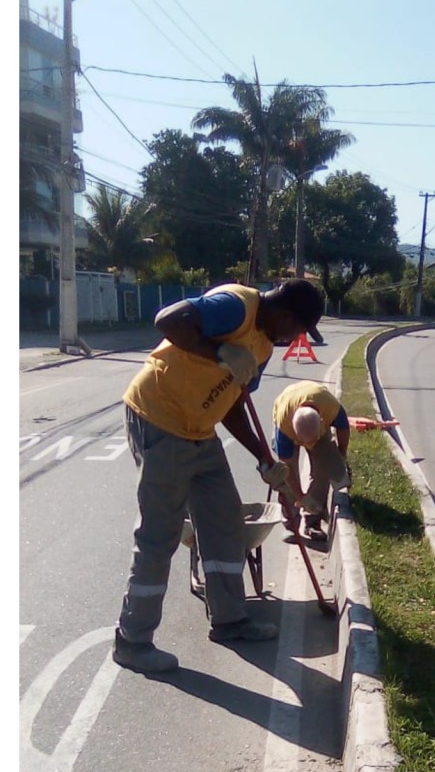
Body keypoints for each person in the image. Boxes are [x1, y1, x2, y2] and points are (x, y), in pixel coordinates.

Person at [112, 278, 324, 675]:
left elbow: (231, 403)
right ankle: (132, 640)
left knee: (225, 522)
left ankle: (229, 620)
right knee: (159, 536)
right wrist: (220, 350)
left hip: (200, 430)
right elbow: (167, 321)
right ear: (286, 315)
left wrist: (264, 458)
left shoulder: (262, 346)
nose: (295, 339)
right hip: (159, 418)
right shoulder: (236, 307)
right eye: (297, 330)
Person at [271, 379, 351, 540]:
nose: (306, 445)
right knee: (287, 480)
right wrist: (300, 496)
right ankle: (291, 523)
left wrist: (342, 454)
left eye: (310, 441)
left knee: (323, 471)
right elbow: (287, 468)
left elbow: (343, 427)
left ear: (322, 421)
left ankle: (312, 521)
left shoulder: (330, 407)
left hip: (316, 421)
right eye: (302, 440)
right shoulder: (284, 425)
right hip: (287, 410)